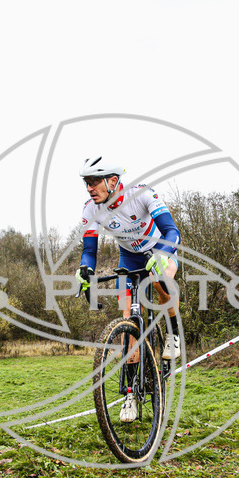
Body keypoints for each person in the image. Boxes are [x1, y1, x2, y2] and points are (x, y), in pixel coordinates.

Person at [75, 157, 182, 423]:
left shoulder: (141, 194)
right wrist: (85, 269)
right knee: (127, 328)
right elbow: (89, 251)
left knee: (160, 280)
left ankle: (174, 334)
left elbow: (172, 231)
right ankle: (130, 394)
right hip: (130, 259)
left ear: (113, 181)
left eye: (94, 182)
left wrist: (163, 254)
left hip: (160, 249)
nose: (89, 188)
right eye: (86, 183)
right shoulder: (91, 209)